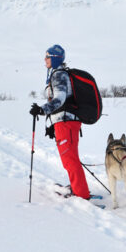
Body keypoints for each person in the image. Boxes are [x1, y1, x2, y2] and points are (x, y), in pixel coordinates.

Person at [30, 45, 91, 200]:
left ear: (55, 58)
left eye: (47, 56)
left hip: (66, 122)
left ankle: (81, 194)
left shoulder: (59, 75)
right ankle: (77, 187)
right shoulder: (58, 74)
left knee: (69, 159)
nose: (44, 60)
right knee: (70, 158)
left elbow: (60, 99)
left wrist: (42, 110)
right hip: (65, 122)